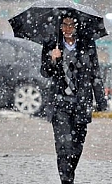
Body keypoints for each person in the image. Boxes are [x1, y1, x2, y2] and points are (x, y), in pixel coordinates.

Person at [40, 14, 107, 184]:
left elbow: (95, 73)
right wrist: (52, 59)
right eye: (64, 25)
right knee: (64, 147)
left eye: (71, 25)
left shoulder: (87, 44)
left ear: (77, 27)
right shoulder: (51, 44)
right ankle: (66, 180)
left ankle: (69, 174)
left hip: (81, 103)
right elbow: (45, 72)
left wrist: (100, 100)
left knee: (77, 147)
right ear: (59, 26)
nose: (67, 29)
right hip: (59, 103)